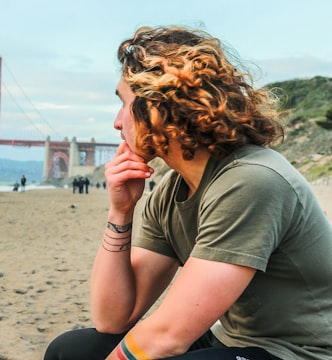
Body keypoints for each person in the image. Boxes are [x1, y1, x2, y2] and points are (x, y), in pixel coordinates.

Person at [44, 26, 332, 360]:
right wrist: (120, 212)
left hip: (304, 352)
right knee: (71, 351)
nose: (116, 121)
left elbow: (167, 337)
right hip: (232, 342)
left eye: (125, 104)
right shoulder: (171, 191)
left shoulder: (251, 181)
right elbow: (113, 318)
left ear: (159, 106)